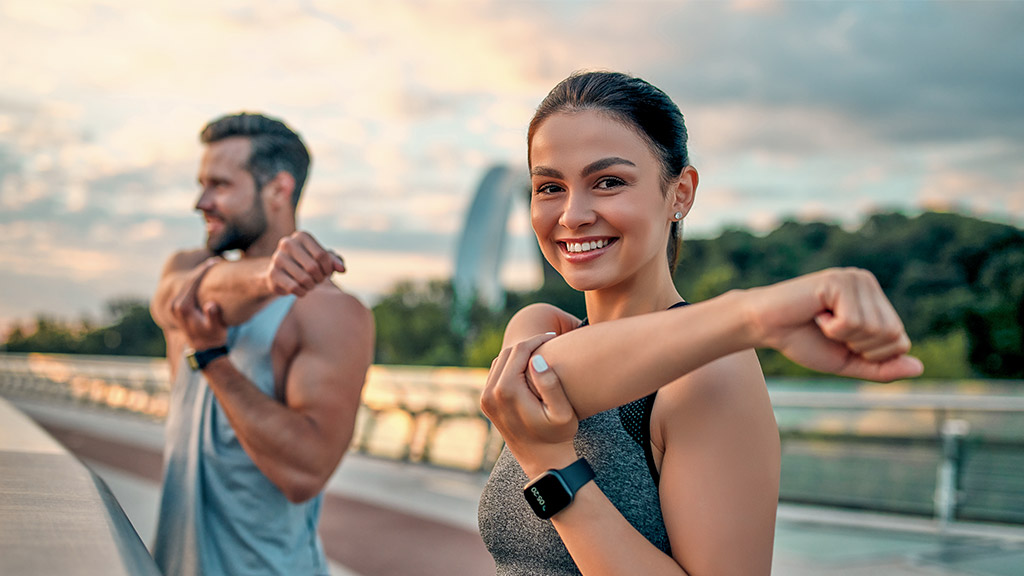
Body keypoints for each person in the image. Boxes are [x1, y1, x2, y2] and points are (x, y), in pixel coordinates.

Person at [477, 71, 923, 576]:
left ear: (680, 193)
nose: (574, 214)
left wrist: (553, 469)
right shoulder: (543, 327)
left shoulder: (714, 374)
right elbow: (547, 374)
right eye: (550, 187)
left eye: (609, 182)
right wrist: (751, 316)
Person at [149, 112, 374, 576]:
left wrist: (214, 361)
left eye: (219, 185)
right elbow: (182, 298)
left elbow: (304, 473)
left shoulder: (332, 312)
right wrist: (269, 276)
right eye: (201, 183)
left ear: (278, 190)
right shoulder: (187, 269)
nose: (201, 202)